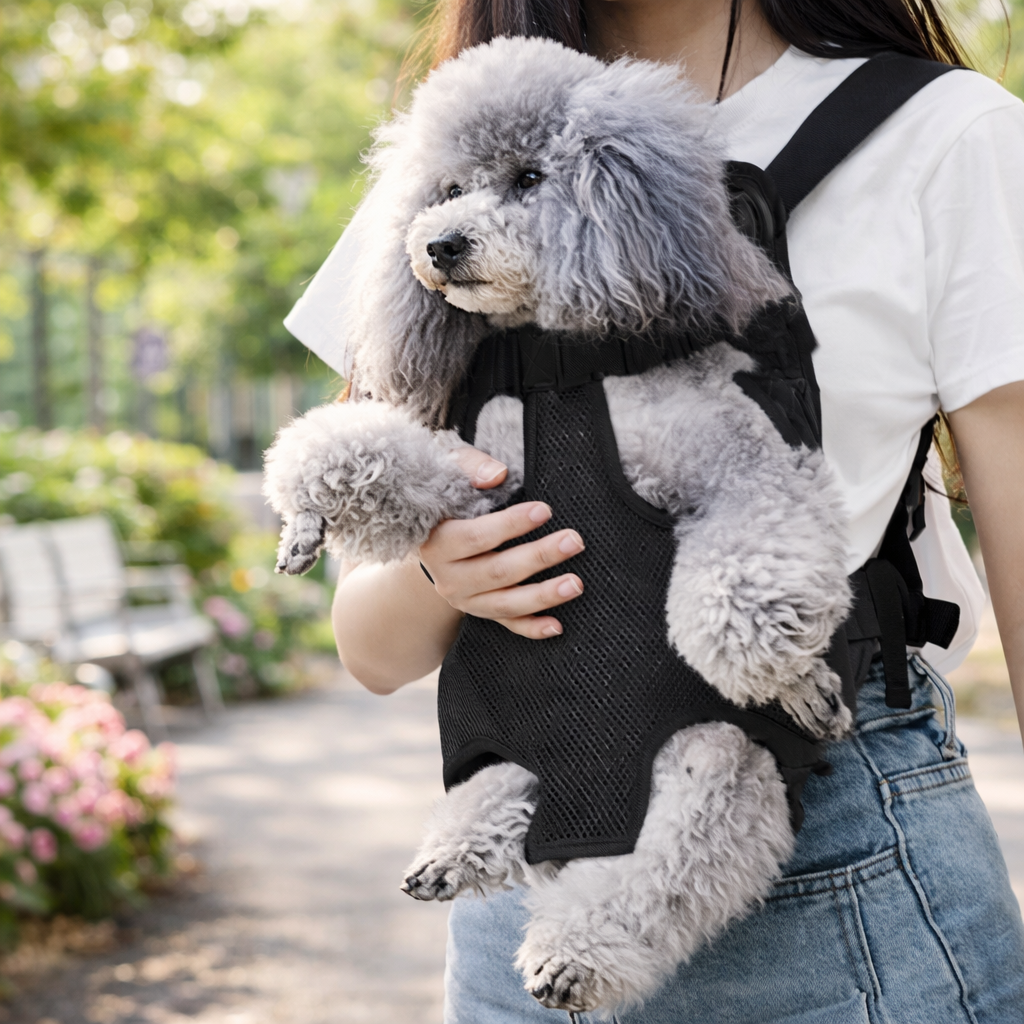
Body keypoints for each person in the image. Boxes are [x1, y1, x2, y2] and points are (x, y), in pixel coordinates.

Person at [284, 0, 1024, 1019]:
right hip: (527, 900)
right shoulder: (446, 154)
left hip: (834, 858)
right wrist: (441, 572)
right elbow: (370, 650)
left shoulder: (944, 135)